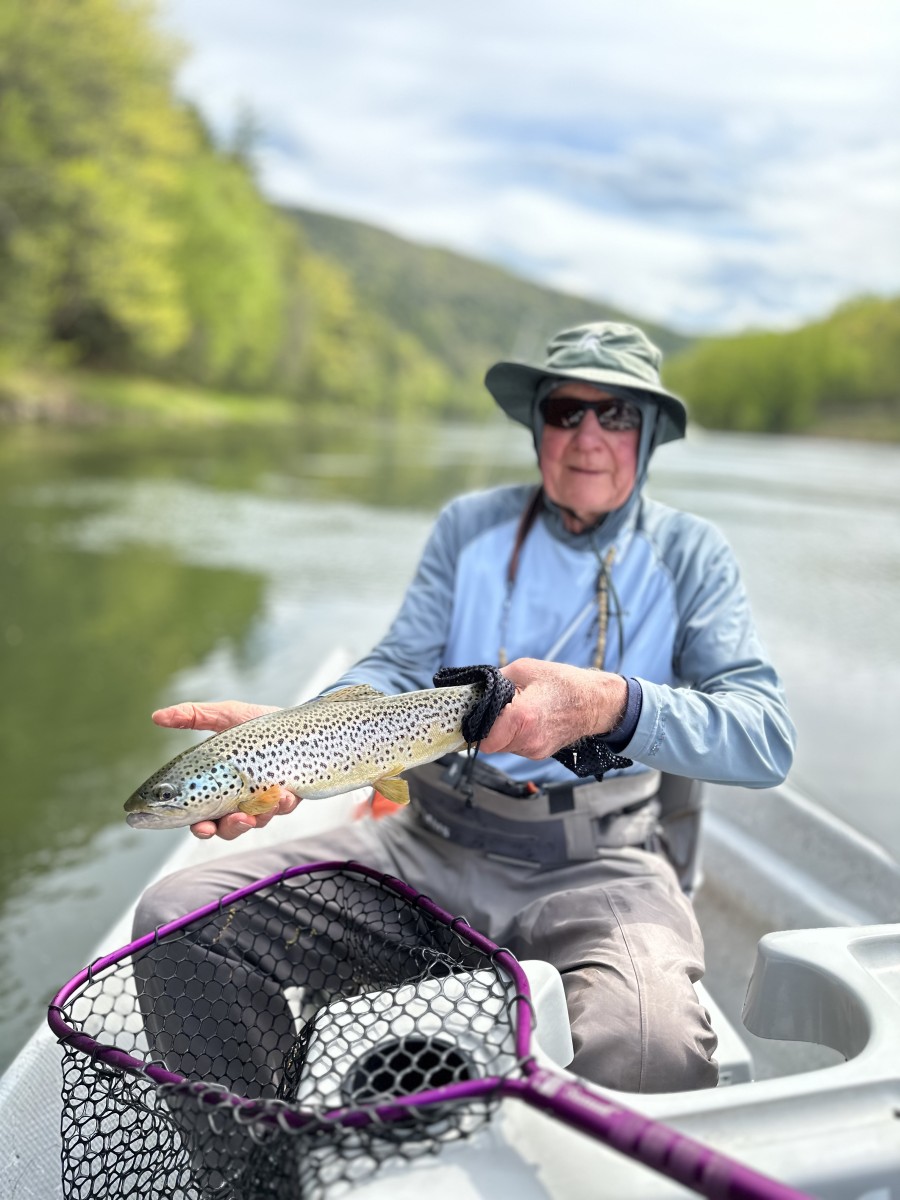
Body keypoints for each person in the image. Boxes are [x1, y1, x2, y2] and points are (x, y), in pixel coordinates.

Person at [134, 320, 795, 1096]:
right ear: (536, 425)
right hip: (430, 847)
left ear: (648, 434)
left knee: (650, 1050)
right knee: (178, 918)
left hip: (598, 865)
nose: (587, 435)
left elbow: (764, 736)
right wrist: (295, 736)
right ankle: (263, 1169)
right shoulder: (468, 526)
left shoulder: (693, 554)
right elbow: (396, 663)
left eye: (615, 413)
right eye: (565, 411)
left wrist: (609, 702)